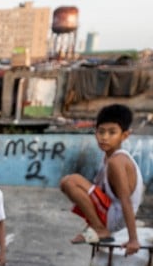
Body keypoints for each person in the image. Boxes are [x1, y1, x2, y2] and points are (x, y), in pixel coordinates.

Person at [59, 103, 144, 255]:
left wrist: (133, 239)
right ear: (95, 132)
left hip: (117, 217)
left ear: (124, 135)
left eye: (112, 133)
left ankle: (100, 229)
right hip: (111, 210)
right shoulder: (107, 157)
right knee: (68, 182)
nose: (104, 137)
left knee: (71, 181)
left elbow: (125, 200)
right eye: (101, 132)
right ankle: (95, 228)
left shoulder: (117, 161)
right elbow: (99, 190)